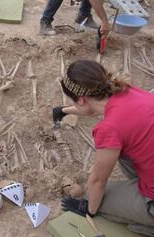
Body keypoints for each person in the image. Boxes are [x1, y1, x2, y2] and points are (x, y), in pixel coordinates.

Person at [54, 60, 154, 236]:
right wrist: (64, 110)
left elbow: (98, 181)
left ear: (81, 99)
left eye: (74, 101)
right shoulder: (129, 91)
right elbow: (93, 107)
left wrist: (90, 210)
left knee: (96, 197)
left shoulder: (108, 129)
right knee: (127, 149)